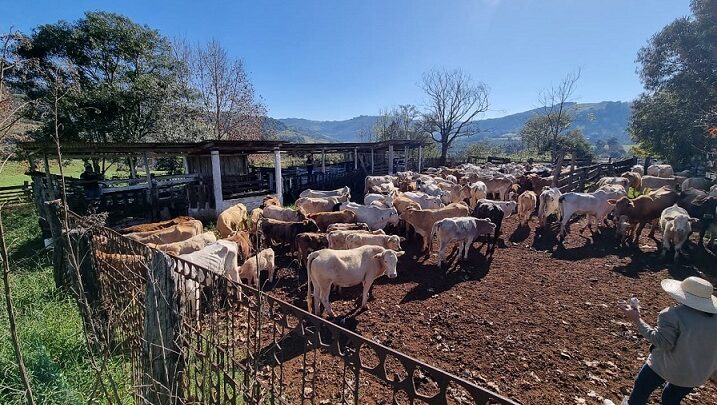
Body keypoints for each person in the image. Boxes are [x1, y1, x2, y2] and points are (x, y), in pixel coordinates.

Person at [619, 276, 717, 405]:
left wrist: (637, 320)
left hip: (665, 366)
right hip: (696, 374)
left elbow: (663, 343)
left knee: (641, 388)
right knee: (671, 399)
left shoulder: (672, 314)